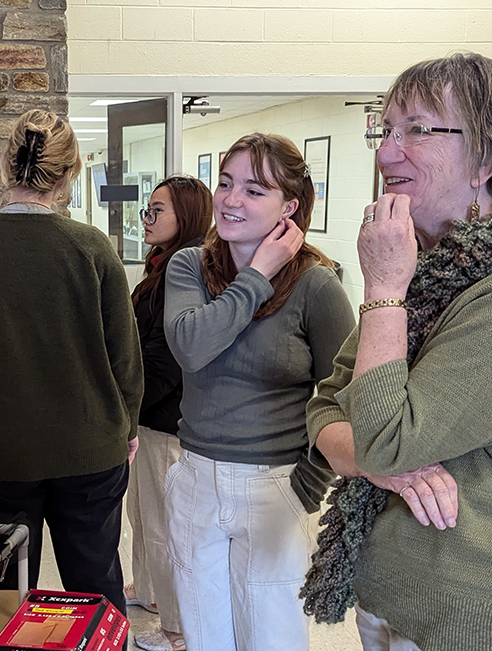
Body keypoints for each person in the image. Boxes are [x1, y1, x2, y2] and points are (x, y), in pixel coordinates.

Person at [300, 53, 492, 651]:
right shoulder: (432, 263)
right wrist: (372, 463)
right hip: (393, 596)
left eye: (417, 129)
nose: (387, 152)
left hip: (476, 616)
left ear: (487, 159)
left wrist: (384, 289)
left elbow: (385, 436)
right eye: (385, 128)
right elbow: (326, 408)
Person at [0, 109, 143, 616]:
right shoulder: (92, 248)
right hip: (89, 448)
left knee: (1, 593)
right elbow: (124, 358)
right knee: (95, 583)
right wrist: (127, 425)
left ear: (6, 164)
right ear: (69, 175)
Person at [162, 133, 355, 651]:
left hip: (276, 483)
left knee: (272, 638)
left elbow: (345, 397)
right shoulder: (189, 267)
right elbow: (191, 347)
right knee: (204, 637)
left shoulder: (318, 285)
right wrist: (258, 275)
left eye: (253, 190)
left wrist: (309, 482)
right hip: (197, 478)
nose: (230, 200)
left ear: (289, 207)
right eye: (225, 183)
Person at [124, 176, 212, 651]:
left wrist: (126, 409)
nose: (147, 219)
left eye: (157, 211)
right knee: (142, 514)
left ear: (188, 218)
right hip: (148, 417)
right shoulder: (163, 267)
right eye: (148, 210)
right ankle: (149, 591)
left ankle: (176, 629)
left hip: (163, 423)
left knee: (163, 526)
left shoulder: (188, 270)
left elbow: (165, 361)